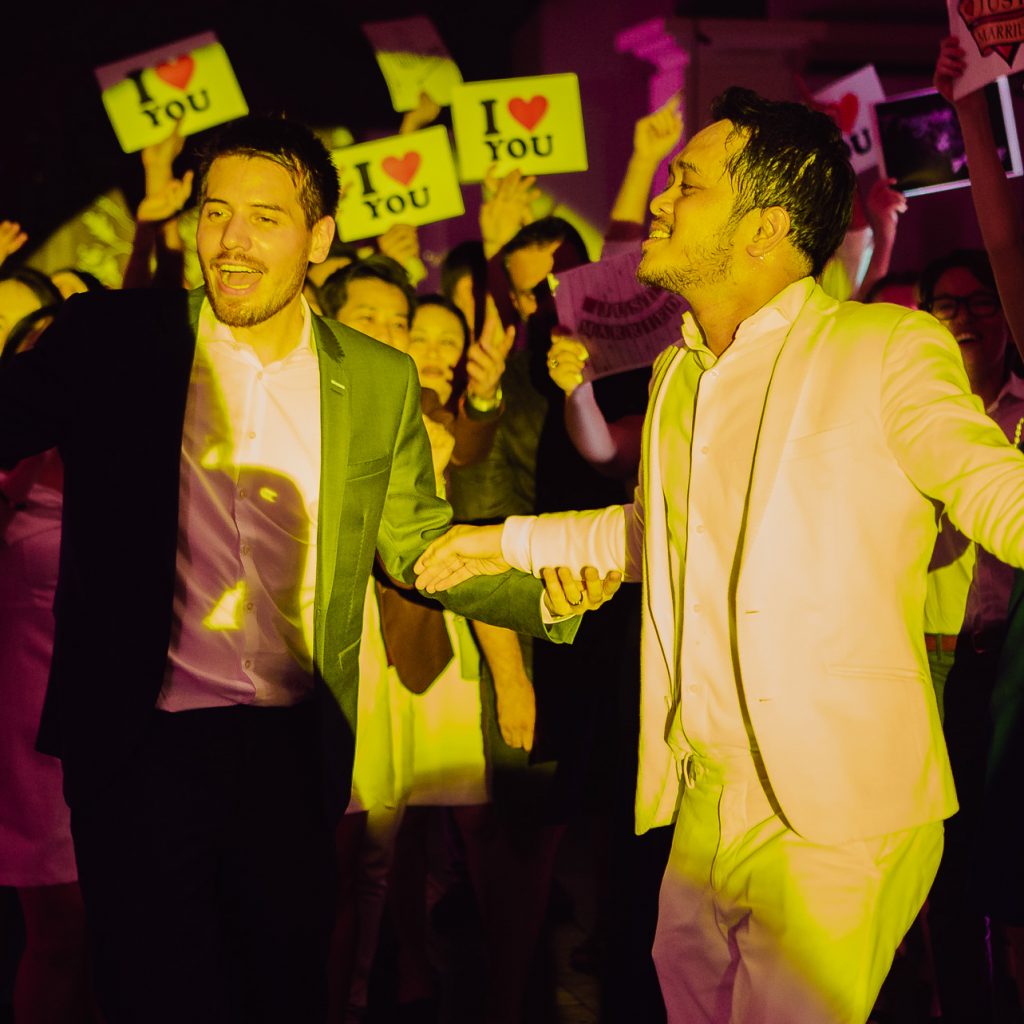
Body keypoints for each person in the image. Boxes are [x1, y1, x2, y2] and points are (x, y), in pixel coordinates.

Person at [414, 86, 1024, 1024]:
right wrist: (500, 544)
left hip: (839, 810)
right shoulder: (676, 375)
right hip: (703, 799)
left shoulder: (886, 345)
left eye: (685, 183)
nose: (658, 202)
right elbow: (657, 535)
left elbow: (999, 496)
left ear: (763, 228)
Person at [0, 114, 613, 1024]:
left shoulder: (375, 378)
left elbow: (412, 544)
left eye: (264, 218)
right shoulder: (117, 338)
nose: (232, 243)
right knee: (150, 996)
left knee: (281, 992)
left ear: (320, 237)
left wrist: (540, 598)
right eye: (215, 214)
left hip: (291, 757)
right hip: (140, 750)